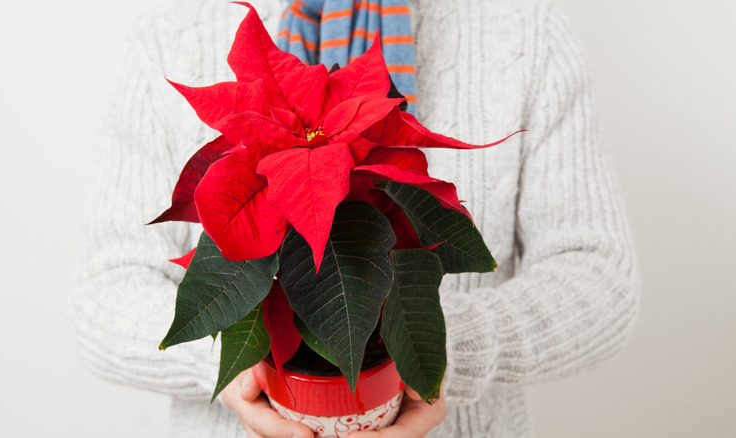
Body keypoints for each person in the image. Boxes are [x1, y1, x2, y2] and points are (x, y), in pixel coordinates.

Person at [67, 0, 640, 437]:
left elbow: (599, 280)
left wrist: (434, 354)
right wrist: (236, 365)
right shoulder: (175, 32)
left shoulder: (521, 33)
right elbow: (103, 294)